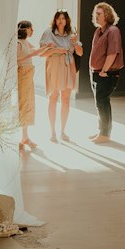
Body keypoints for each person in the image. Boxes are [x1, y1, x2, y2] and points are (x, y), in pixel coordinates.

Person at [37, 10, 82, 142]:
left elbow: (80, 52)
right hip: (55, 66)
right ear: (55, 20)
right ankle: (52, 132)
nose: (61, 21)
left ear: (67, 20)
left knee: (66, 99)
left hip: (68, 67)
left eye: (63, 18)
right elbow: (41, 54)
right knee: (53, 97)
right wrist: (56, 50)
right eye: (58, 18)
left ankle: (63, 131)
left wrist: (75, 43)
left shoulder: (72, 34)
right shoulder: (48, 33)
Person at [89, 1, 123, 143]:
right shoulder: (99, 31)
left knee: (102, 102)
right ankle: (101, 131)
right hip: (96, 73)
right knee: (100, 103)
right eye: (95, 14)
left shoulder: (113, 31)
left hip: (106, 74)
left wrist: (104, 71)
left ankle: (105, 133)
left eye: (99, 14)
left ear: (107, 15)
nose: (96, 16)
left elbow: (113, 53)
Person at [16, 19, 38, 152]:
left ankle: (25, 136)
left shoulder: (25, 42)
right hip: (23, 75)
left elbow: (35, 50)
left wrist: (47, 48)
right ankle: (20, 137)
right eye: (31, 28)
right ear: (25, 29)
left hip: (28, 75)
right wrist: (32, 54)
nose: (32, 31)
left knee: (29, 103)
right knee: (23, 104)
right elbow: (15, 59)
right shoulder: (18, 43)